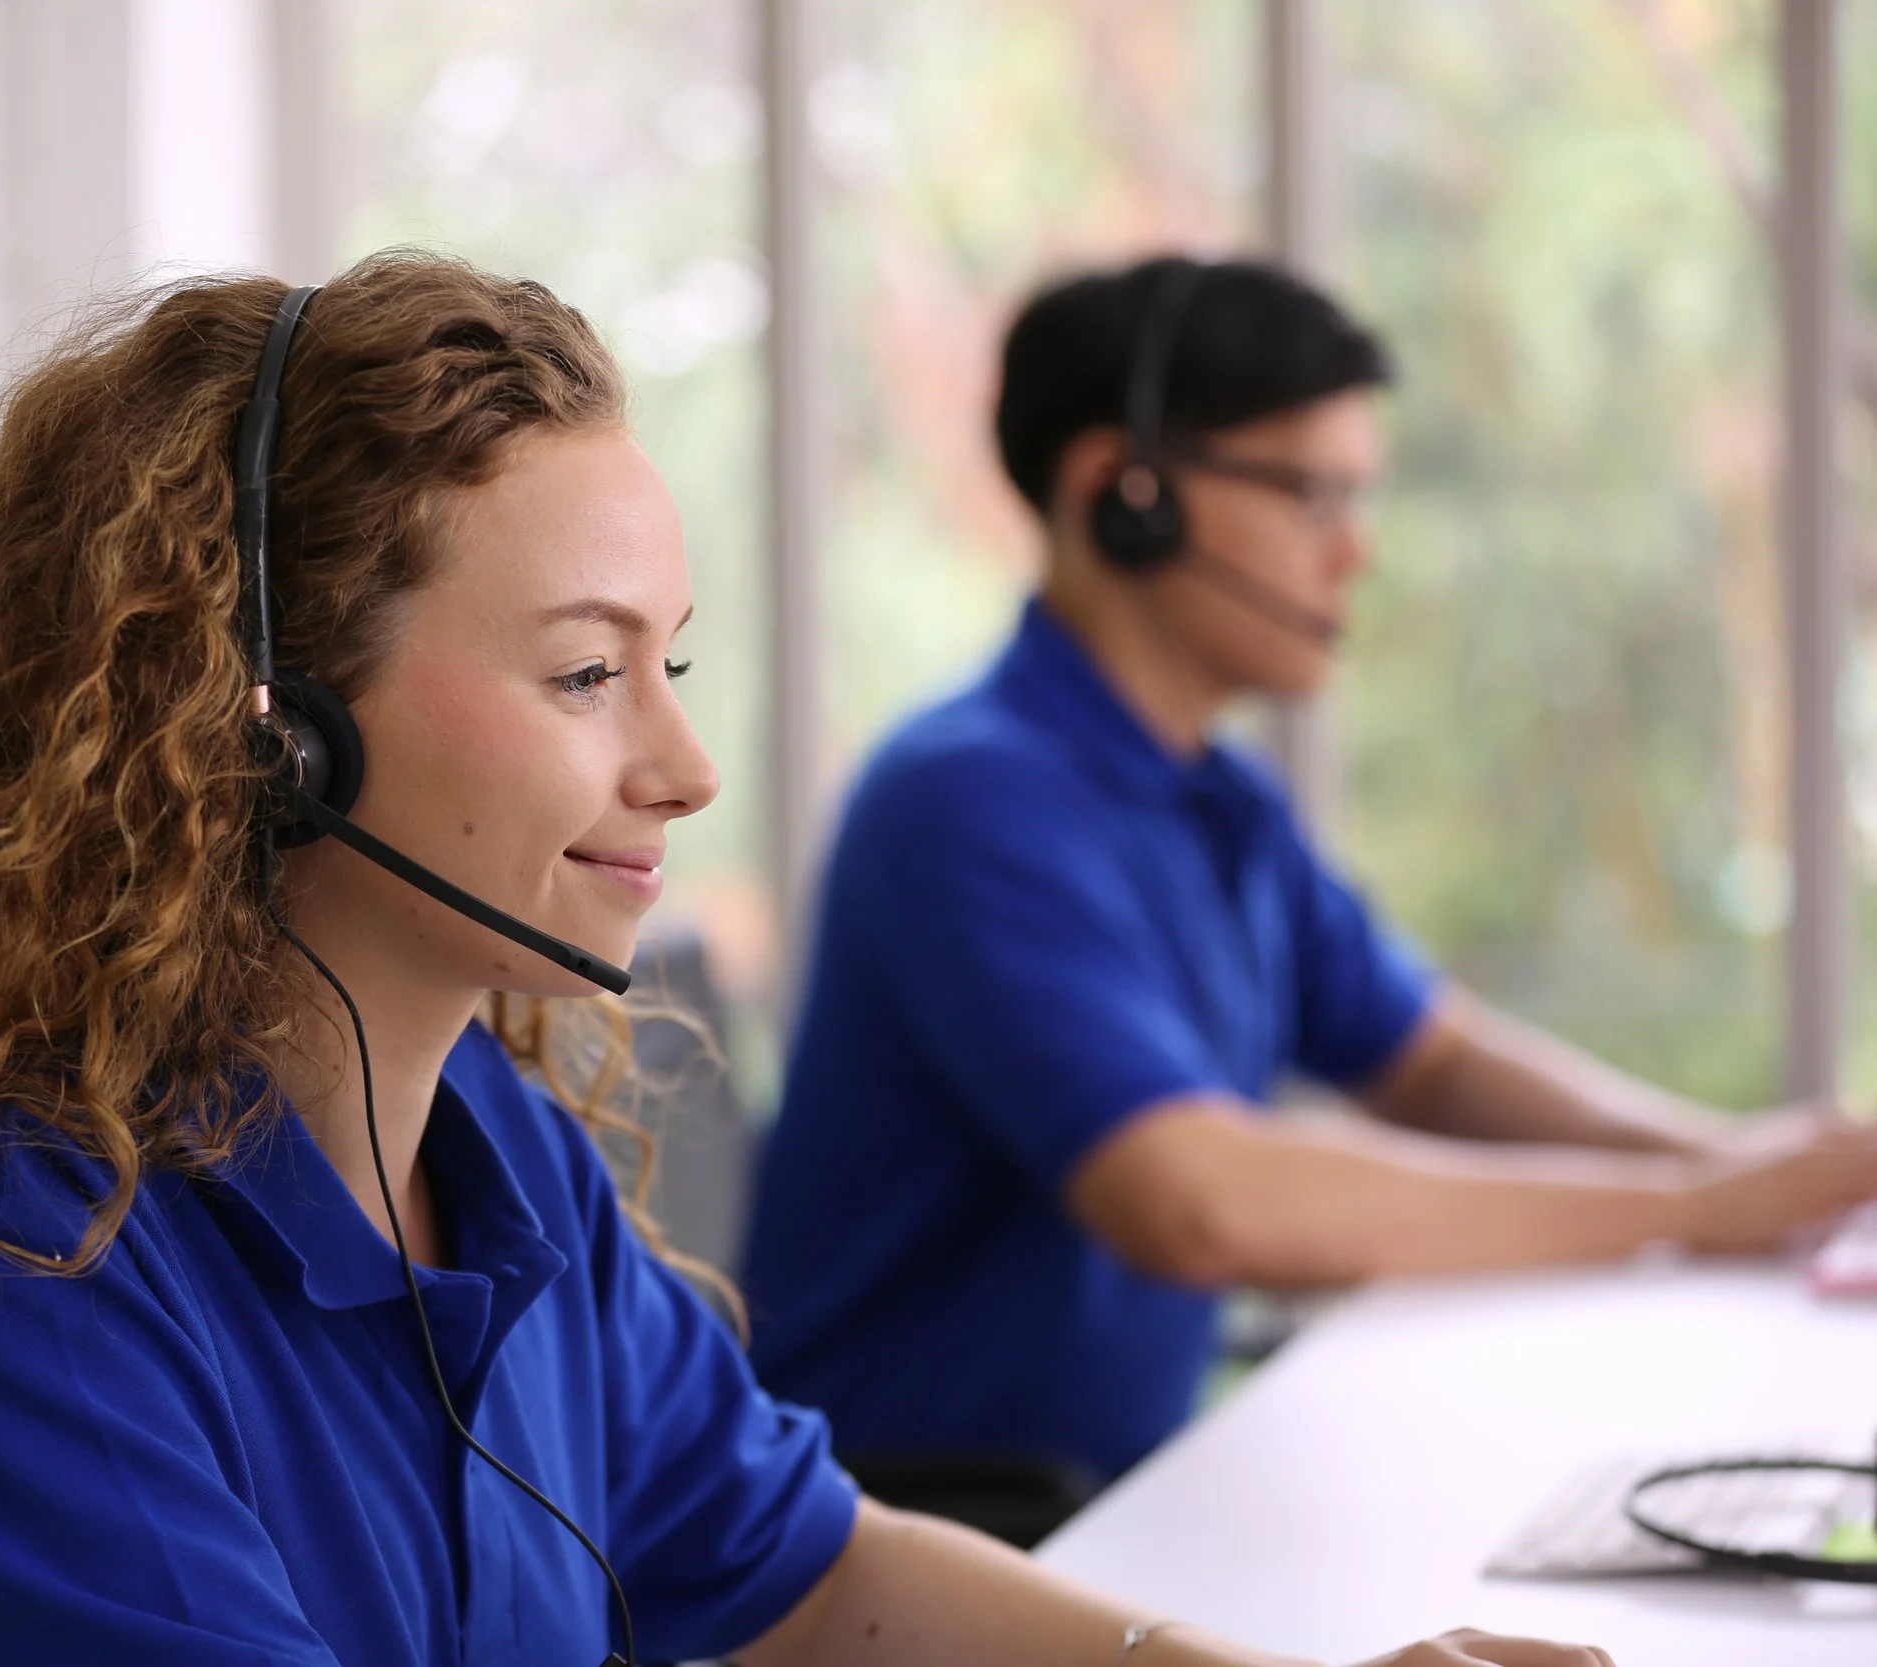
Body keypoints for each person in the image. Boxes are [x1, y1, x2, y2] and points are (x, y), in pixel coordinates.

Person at [0, 253, 1608, 1667]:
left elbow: (814, 1575)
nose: (684, 761)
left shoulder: (496, 1148)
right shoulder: (16, 1260)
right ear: (264, 726)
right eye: (582, 672)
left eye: (670, 661)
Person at [742, 254, 1877, 1530]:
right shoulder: (965, 800)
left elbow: (1432, 1060)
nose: (1358, 551)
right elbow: (1197, 1201)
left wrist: (1748, 1169)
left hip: (1122, 1504)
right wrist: (1691, 1209)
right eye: (1311, 494)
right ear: (1123, 493)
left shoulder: (1216, 796)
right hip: (926, 1542)